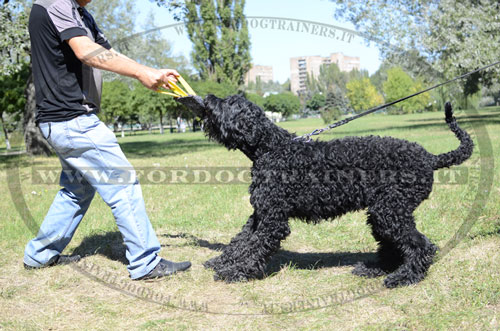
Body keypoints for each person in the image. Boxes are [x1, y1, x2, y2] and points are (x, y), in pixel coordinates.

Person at [23, 0, 191, 280]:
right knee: (122, 184)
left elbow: (107, 52)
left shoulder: (80, 13)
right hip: (73, 120)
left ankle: (39, 255)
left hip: (62, 121)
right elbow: (86, 51)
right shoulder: (56, 3)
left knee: (76, 190)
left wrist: (149, 72)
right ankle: (145, 263)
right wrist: (141, 72)